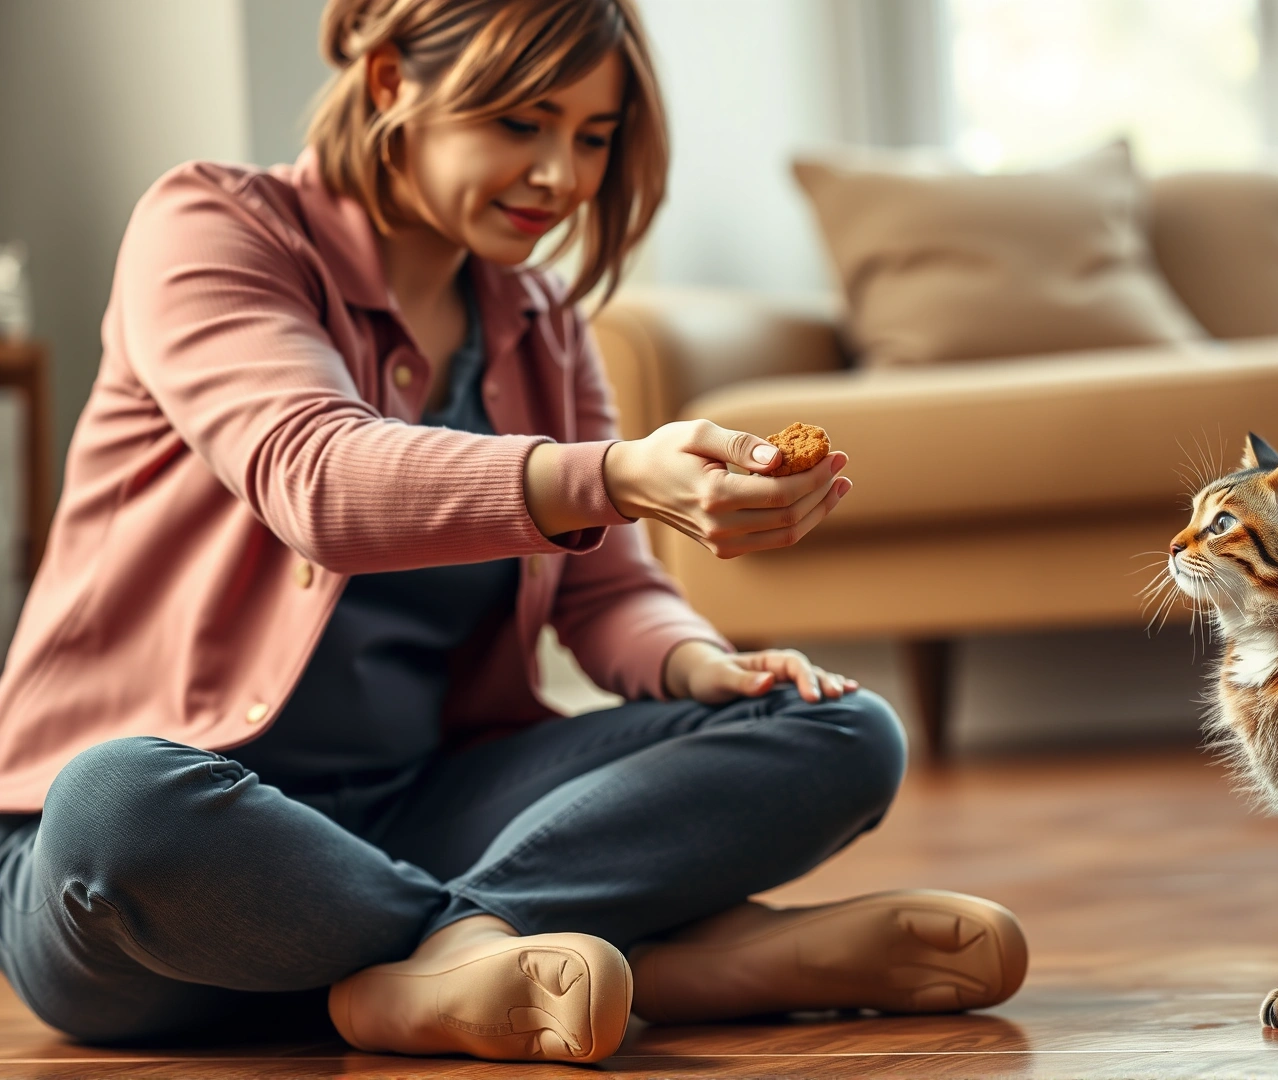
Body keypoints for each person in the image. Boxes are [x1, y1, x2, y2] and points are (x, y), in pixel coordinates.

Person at [0, 0, 1026, 1064]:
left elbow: (603, 594)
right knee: (114, 802)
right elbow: (317, 477)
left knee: (843, 727)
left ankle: (449, 961)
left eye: (592, 136)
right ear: (393, 83)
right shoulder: (212, 225)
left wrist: (697, 665)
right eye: (521, 123)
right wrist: (616, 475)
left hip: (416, 809)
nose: (562, 176)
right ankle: (647, 958)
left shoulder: (540, 324)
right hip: (161, 871)